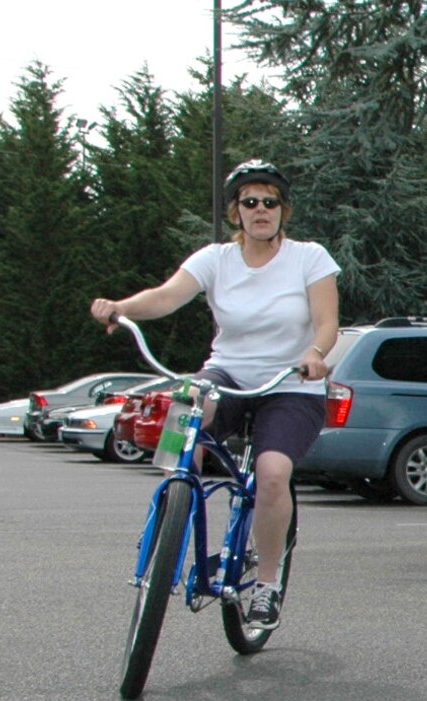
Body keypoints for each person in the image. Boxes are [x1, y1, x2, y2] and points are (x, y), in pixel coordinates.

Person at [90, 159, 340, 631]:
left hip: (290, 382)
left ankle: (266, 583)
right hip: (227, 372)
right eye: (250, 202)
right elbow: (166, 297)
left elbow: (328, 321)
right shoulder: (215, 259)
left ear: (283, 210)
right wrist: (121, 308)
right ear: (235, 212)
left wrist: (314, 352)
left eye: (270, 202)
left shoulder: (309, 257)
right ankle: (170, 523)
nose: (260, 210)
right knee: (182, 414)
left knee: (272, 473)